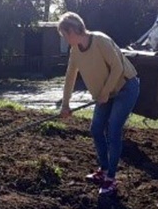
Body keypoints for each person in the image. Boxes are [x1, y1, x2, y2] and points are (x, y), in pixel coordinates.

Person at [58, 12, 140, 196]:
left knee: (113, 129)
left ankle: (111, 178)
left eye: (64, 34)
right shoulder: (75, 50)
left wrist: (105, 93)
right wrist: (65, 104)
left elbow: (118, 67)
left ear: (72, 31)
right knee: (96, 129)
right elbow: (70, 76)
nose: (64, 38)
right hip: (106, 93)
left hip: (125, 88)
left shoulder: (100, 41)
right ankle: (103, 170)